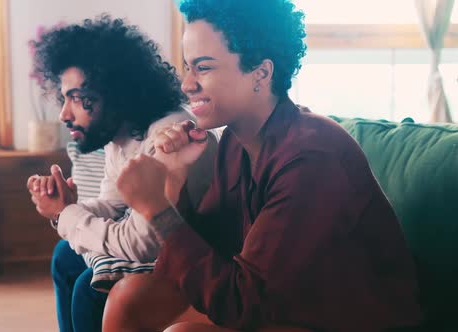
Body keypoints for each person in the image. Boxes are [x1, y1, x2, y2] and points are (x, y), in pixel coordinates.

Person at [106, 0, 422, 331]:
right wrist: (174, 176)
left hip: (343, 318)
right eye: (188, 67)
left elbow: (242, 301)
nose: (186, 84)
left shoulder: (311, 157)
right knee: (128, 298)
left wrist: (156, 209)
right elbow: (204, 256)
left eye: (204, 67)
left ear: (261, 73)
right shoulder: (235, 142)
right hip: (284, 302)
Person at [26, 15, 217, 332]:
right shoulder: (121, 135)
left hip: (194, 255)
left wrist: (66, 214)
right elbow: (114, 204)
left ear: (118, 94)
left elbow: (140, 243)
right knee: (64, 255)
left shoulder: (170, 136)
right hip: (159, 248)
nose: (64, 114)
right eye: (64, 98)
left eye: (78, 98)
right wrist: (66, 207)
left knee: (91, 285)